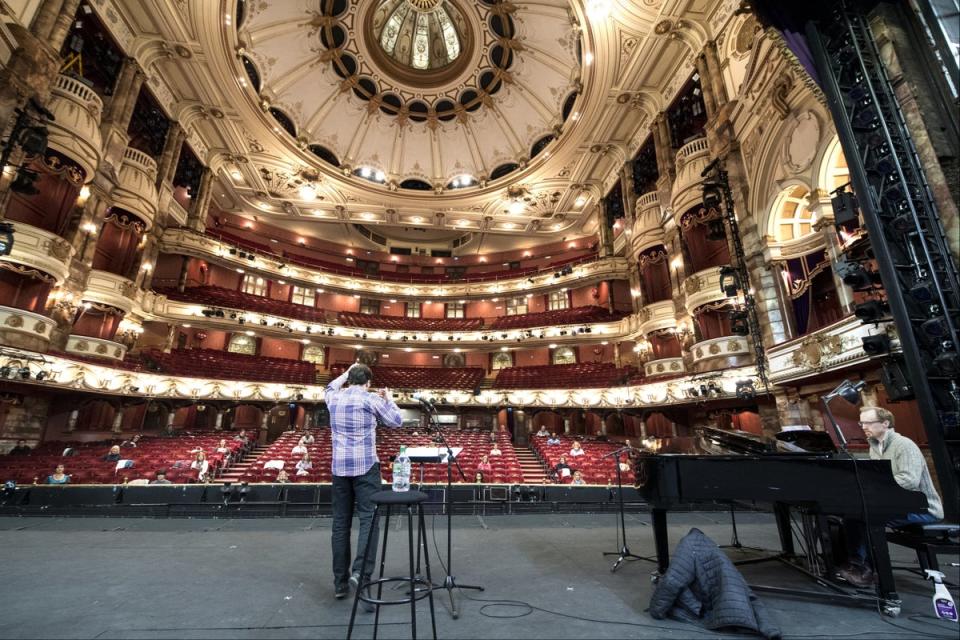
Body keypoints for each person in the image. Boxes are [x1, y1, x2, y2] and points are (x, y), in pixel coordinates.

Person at [838, 407, 944, 588]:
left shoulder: (904, 445)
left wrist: (874, 488)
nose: (864, 426)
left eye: (868, 422)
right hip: (897, 503)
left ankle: (867, 570)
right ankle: (856, 564)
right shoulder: (876, 446)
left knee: (869, 518)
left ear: (885, 423)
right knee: (852, 516)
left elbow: (909, 480)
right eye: (861, 423)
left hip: (923, 508)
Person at [326, 362, 402, 602]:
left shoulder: (333, 398)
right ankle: (361, 574)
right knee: (369, 519)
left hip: (339, 468)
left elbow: (329, 386)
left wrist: (345, 373)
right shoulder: (371, 400)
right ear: (368, 382)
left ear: (349, 379)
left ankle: (340, 584)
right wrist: (388, 398)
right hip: (366, 467)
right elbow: (396, 420)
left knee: (340, 524)